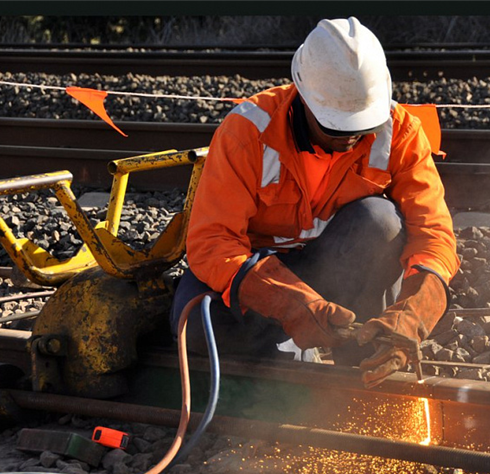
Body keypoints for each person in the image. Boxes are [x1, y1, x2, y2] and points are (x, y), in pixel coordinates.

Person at [170, 16, 460, 387]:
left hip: (335, 265)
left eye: (362, 128)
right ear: (303, 98)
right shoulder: (248, 132)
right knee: (196, 323)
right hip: (259, 271)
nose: (351, 140)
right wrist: (290, 304)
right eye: (337, 128)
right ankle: (272, 379)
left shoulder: (400, 132)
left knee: (381, 221)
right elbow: (212, 243)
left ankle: (362, 357)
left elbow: (432, 230)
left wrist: (416, 311)